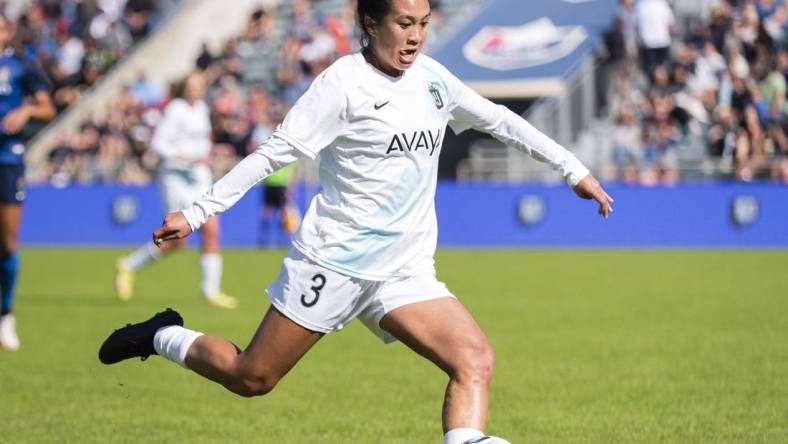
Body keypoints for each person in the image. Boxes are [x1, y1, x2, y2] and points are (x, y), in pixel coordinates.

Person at [99, 1, 614, 442]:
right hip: (335, 261)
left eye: (423, 23)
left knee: (474, 360)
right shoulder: (342, 85)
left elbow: (499, 119)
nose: (414, 36)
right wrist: (196, 213)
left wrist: (574, 169)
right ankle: (159, 335)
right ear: (370, 23)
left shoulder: (434, 80)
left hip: (404, 270)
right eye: (402, 23)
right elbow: (274, 154)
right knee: (252, 376)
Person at [114, 71, 237, 309]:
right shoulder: (175, 109)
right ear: (184, 88)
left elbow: (201, 140)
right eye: (192, 86)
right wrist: (184, 157)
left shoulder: (201, 108)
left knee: (211, 228)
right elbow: (158, 143)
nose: (196, 91)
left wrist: (209, 153)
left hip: (198, 176)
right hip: (175, 176)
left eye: (200, 86)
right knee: (177, 239)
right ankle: (128, 265)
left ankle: (210, 291)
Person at [0, 15, 55, 351]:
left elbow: (48, 107)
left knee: (7, 243)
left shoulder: (21, 66)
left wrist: (26, 111)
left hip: (7, 161)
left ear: (8, 32)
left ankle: (5, 315)